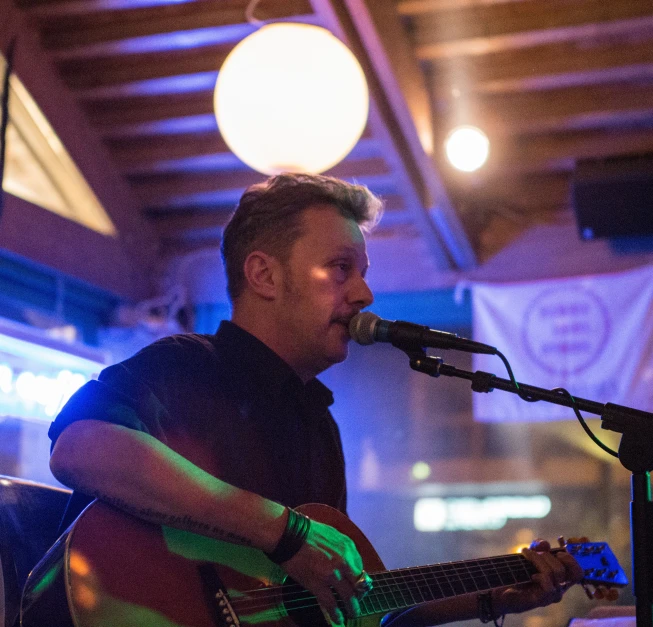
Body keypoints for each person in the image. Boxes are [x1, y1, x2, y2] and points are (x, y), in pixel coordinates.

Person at [49, 173, 582, 626]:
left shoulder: (318, 422)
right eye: (341, 268)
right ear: (264, 275)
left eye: (364, 273)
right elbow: (79, 447)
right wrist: (284, 531)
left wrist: (490, 596)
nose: (364, 294)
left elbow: (340, 603)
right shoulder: (187, 365)